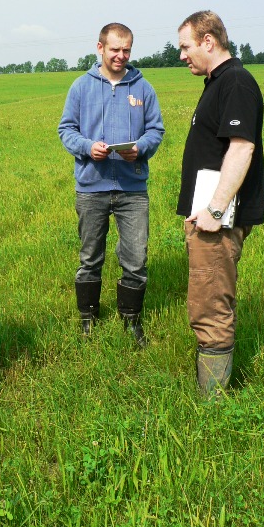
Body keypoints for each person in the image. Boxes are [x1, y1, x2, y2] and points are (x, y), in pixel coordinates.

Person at [177, 10, 264, 398]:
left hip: (218, 220)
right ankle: (211, 389)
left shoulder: (237, 84)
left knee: (211, 304)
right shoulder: (217, 82)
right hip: (207, 216)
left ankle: (212, 402)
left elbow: (242, 148)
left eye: (186, 46)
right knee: (205, 297)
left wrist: (214, 210)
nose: (182, 55)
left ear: (208, 41)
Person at [58, 23, 165, 342]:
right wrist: (87, 147)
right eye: (115, 49)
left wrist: (141, 149)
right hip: (92, 187)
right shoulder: (80, 87)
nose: (121, 55)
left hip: (133, 190)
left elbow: (156, 131)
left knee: (136, 257)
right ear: (100, 47)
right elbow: (66, 130)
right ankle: (87, 318)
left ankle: (131, 320)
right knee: (90, 256)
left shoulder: (143, 87)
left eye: (127, 50)